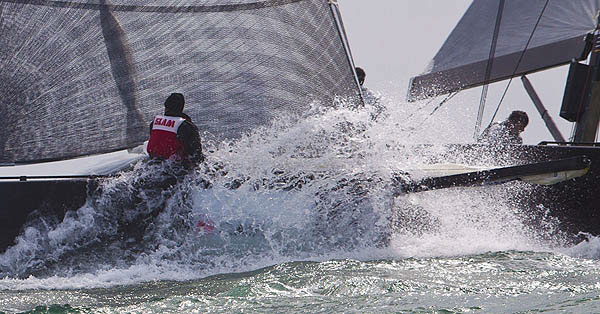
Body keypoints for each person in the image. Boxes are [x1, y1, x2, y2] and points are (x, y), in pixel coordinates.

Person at [147, 93, 204, 166]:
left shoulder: (154, 123)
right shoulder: (186, 126)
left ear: (165, 107)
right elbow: (197, 155)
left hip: (154, 166)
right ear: (182, 108)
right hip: (177, 168)